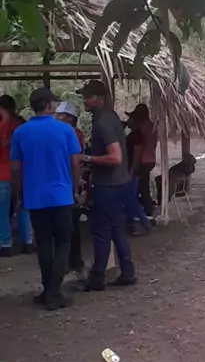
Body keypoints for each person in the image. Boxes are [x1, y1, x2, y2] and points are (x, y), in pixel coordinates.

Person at [10, 88, 81, 310]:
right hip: (61, 195)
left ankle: (47, 289)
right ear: (48, 105)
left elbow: (15, 168)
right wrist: (75, 189)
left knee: (44, 244)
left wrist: (19, 193)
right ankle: (54, 291)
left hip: (35, 197)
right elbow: (76, 162)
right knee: (63, 242)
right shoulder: (66, 130)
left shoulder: (21, 132)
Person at [76, 80, 136, 291]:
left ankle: (97, 278)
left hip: (108, 185)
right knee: (117, 229)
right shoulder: (110, 117)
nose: (85, 100)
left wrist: (86, 158)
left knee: (101, 232)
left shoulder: (103, 123)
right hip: (119, 182)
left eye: (88, 97)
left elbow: (115, 157)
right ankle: (127, 271)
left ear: (99, 99)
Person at [0, 94, 33, 256]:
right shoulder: (22, 124)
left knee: (2, 210)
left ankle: (5, 244)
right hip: (23, 172)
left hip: (4, 173)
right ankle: (27, 242)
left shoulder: (4, 125)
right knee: (23, 207)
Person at [55, 101, 86, 274]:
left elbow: (75, 160)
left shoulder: (72, 133)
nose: (57, 117)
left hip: (69, 180)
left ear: (69, 117)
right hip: (69, 179)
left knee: (70, 223)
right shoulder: (72, 132)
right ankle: (73, 259)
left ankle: (72, 260)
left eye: (60, 115)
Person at [125, 104, 158, 220]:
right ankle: (145, 210)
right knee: (142, 186)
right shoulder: (151, 126)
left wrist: (133, 167)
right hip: (151, 158)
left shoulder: (140, 129)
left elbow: (138, 148)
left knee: (141, 187)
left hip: (142, 160)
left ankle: (147, 212)